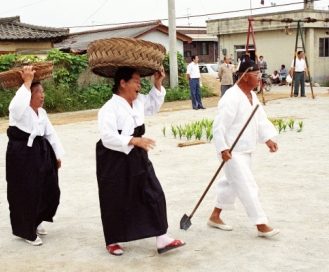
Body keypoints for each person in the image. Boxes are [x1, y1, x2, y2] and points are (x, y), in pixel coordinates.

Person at [96, 67, 185, 256]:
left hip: (137, 153)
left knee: (153, 192)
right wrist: (134, 140)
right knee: (115, 198)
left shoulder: (138, 102)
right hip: (113, 157)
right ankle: (112, 239)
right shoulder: (109, 108)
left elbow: (153, 105)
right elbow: (107, 137)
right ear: (123, 83)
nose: (139, 85)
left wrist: (158, 82)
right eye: (136, 81)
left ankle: (162, 238)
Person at [207, 59, 280, 238]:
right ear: (245, 76)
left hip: (246, 148)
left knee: (231, 183)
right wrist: (223, 148)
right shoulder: (231, 97)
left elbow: (260, 119)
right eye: (256, 75)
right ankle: (261, 224)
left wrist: (268, 138)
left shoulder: (252, 96)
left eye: (260, 74)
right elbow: (219, 126)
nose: (259, 78)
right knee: (247, 185)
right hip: (231, 151)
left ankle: (215, 216)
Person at [6, 66, 64, 246]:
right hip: (21, 154)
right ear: (29, 95)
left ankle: (36, 220)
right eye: (39, 92)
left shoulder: (42, 113)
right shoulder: (19, 111)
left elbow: (50, 134)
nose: (42, 95)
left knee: (47, 187)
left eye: (43, 91)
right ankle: (26, 230)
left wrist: (56, 155)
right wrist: (27, 82)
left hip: (40, 151)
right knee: (25, 191)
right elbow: (15, 106)